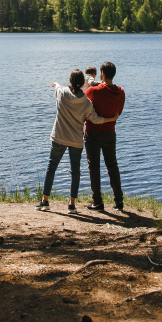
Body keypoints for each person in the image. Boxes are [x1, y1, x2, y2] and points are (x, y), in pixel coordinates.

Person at [36, 69, 117, 212]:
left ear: (71, 81)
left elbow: (58, 87)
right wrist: (111, 119)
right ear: (82, 83)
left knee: (51, 168)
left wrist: (56, 84)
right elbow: (96, 119)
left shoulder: (62, 93)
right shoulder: (86, 102)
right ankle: (72, 205)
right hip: (76, 140)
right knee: (75, 171)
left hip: (59, 137)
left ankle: (45, 201)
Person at [84, 61, 126, 212]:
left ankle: (98, 201)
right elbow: (117, 114)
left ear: (102, 74)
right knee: (112, 166)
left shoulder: (93, 91)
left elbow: (83, 108)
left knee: (94, 166)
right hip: (110, 133)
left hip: (92, 133)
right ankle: (119, 201)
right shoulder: (120, 92)